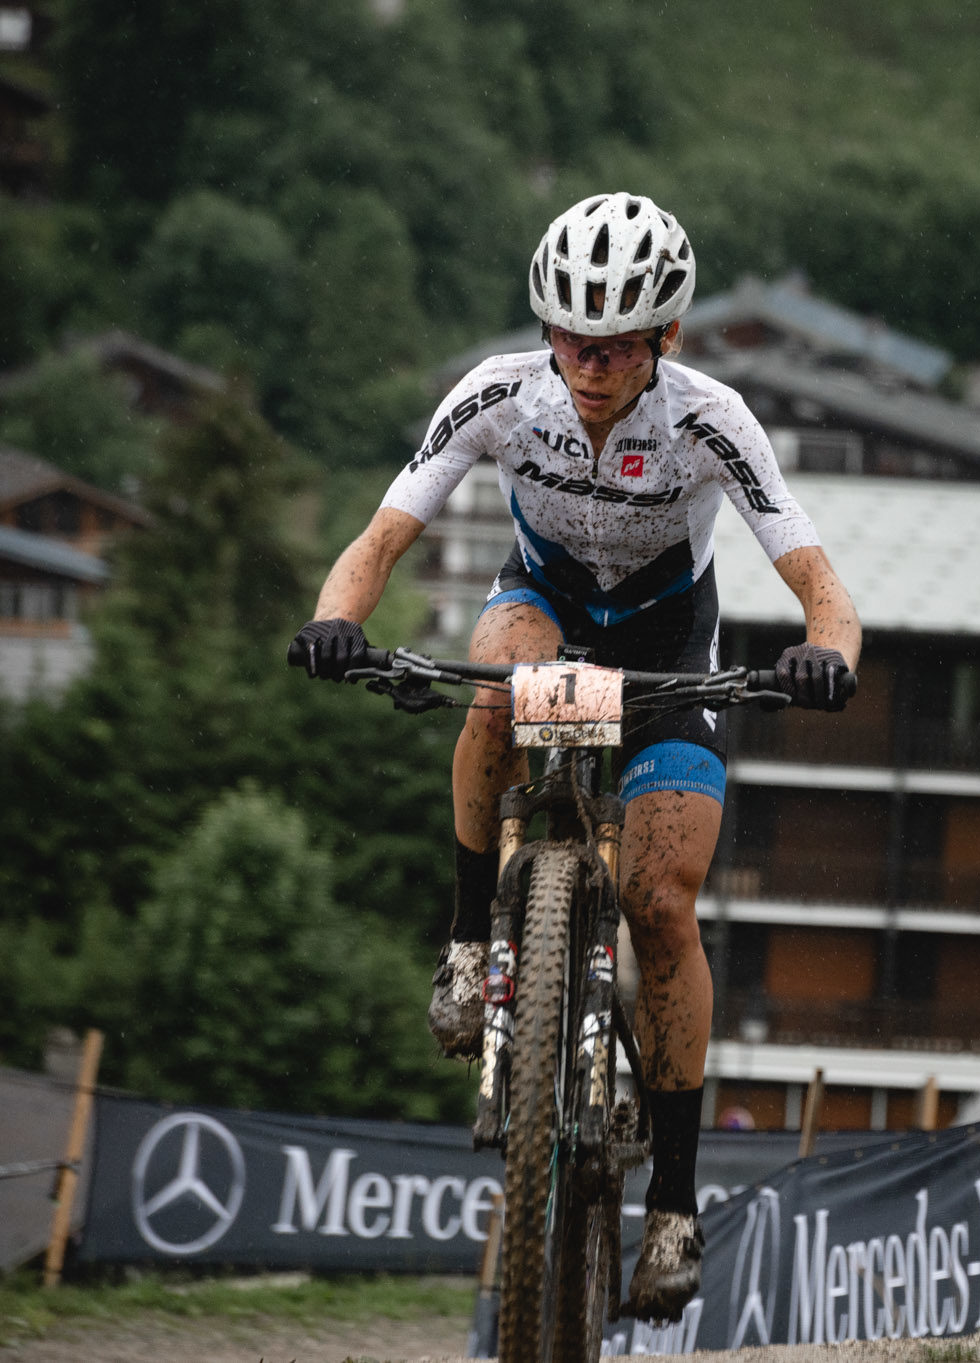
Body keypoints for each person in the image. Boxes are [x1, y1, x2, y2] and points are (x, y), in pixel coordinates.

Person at [290, 192, 862, 1317]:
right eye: (571, 337)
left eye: (616, 344)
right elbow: (382, 535)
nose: (590, 363)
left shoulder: (710, 421)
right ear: (545, 329)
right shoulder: (500, 395)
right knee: (495, 685)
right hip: (544, 608)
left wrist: (825, 654)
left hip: (668, 655)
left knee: (659, 903)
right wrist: (336, 620)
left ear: (667, 340)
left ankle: (677, 1207)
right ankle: (467, 944)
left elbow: (816, 577)